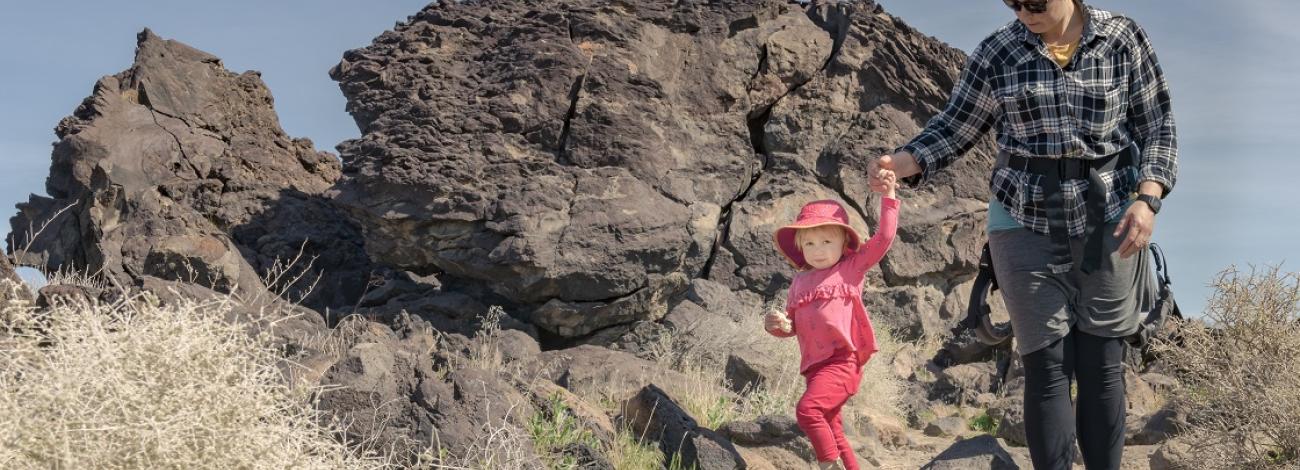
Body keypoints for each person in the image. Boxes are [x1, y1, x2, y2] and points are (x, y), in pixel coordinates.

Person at [867, 0, 1177, 468]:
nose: (1025, 12)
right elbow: (953, 128)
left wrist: (1147, 198)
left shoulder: (1122, 38)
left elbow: (1158, 126)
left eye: (1036, 2)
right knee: (1047, 366)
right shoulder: (998, 51)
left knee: (1101, 366)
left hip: (1112, 219)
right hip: (1022, 221)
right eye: (1014, 2)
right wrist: (899, 163)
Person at [764, 170, 899, 470]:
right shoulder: (799, 283)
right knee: (833, 429)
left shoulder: (850, 268)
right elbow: (792, 326)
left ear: (843, 243)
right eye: (809, 244)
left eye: (827, 241)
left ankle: (828, 465)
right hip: (814, 366)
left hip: (842, 361)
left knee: (808, 410)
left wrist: (888, 196)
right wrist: (777, 325)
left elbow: (884, 238)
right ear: (799, 248)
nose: (819, 251)